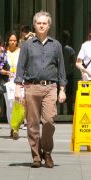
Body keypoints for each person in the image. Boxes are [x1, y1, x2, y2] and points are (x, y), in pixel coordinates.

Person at [14, 11, 67, 168]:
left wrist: (62, 89)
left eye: (45, 23)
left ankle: (48, 152)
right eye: (39, 23)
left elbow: (61, 68)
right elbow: (20, 67)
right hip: (31, 87)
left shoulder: (56, 45)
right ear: (34, 25)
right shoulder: (27, 45)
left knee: (49, 121)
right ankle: (37, 156)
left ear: (49, 26)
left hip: (50, 87)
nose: (42, 25)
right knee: (32, 124)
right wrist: (18, 87)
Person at [1, 31, 21, 139]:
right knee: (9, 106)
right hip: (7, 82)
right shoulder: (3, 53)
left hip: (18, 82)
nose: (12, 42)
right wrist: (6, 72)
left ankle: (16, 127)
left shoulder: (21, 52)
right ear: (7, 41)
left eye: (14, 40)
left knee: (18, 105)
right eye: (10, 40)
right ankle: (12, 128)